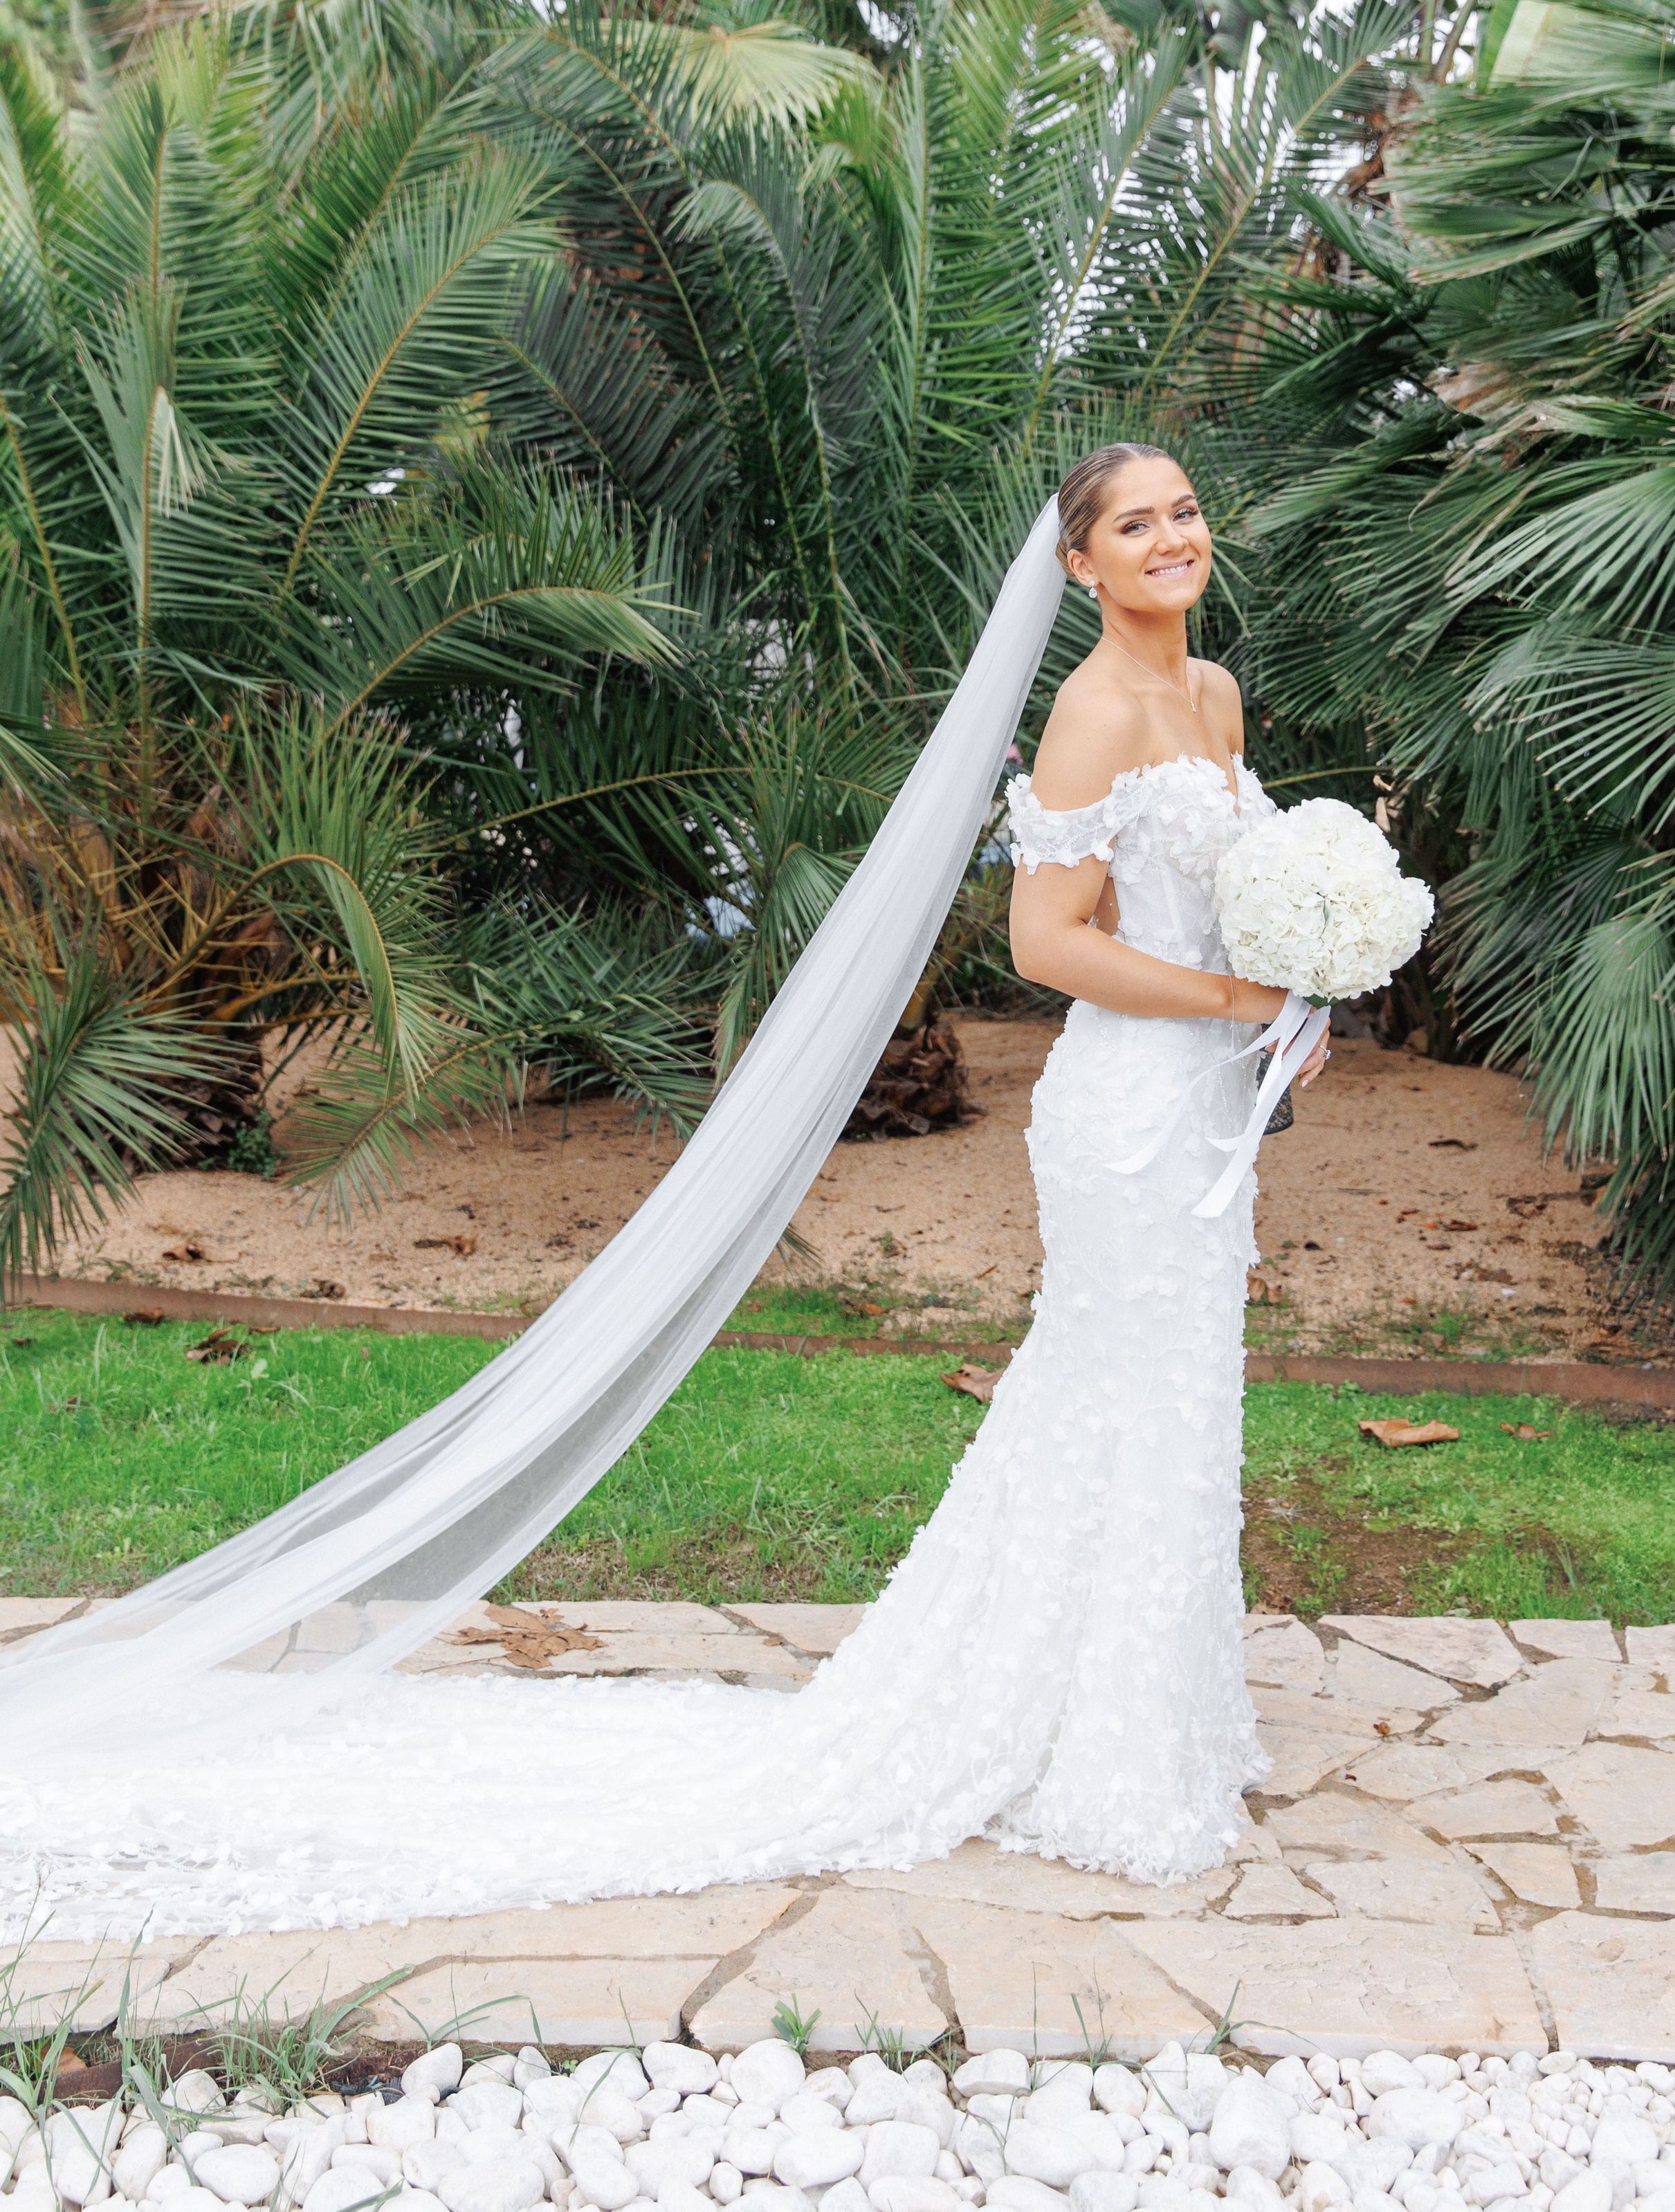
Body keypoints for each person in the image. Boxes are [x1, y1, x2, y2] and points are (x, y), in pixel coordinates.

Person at [0, 446, 1326, 1934]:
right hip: (1128, 1115)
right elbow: (1044, 944)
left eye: (1185, 512)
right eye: (1133, 524)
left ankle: (1142, 1723)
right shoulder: (1087, 718)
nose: (1170, 539)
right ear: (1077, 565)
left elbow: (1226, 896)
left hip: (1206, 1100)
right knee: (1115, 1387)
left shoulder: (1208, 699)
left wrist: (1299, 995)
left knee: (1167, 1396)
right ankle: (1096, 1749)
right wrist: (1229, 997)